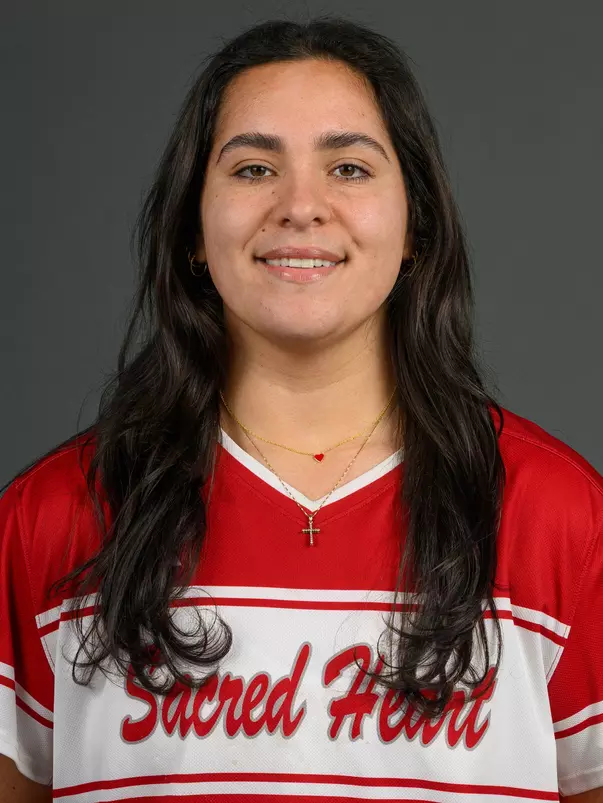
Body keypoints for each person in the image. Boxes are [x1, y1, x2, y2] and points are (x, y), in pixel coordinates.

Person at [0, 15, 601, 803]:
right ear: (191, 226)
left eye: (349, 168)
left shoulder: (557, 514)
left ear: (415, 223)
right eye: (253, 168)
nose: (300, 206)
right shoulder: (54, 515)